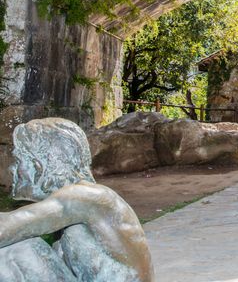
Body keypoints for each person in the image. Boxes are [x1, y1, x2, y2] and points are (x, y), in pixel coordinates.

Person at [0, 118, 154, 282]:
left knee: (16, 251)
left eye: (18, 161)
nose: (12, 169)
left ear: (39, 165)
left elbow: (6, 229)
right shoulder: (80, 205)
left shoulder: (85, 197)